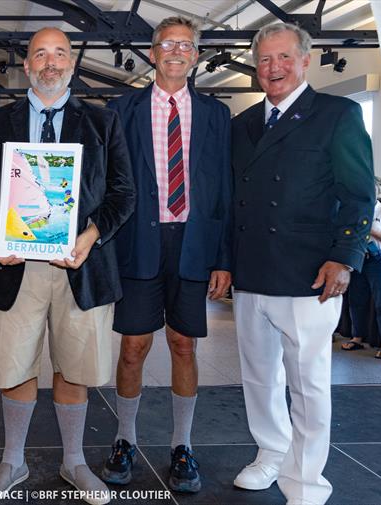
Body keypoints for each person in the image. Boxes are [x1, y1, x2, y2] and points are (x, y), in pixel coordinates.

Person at [0, 27, 135, 505]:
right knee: (15, 367)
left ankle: (73, 460)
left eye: (60, 54)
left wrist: (91, 235)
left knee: (74, 368)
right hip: (15, 267)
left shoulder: (103, 123)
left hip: (81, 264)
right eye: (41, 54)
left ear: (72, 65)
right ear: (27, 66)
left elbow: (124, 193)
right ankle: (12, 460)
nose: (51, 63)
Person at [231, 23, 375, 505]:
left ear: (305, 60)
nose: (274, 68)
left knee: (308, 383)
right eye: (265, 60)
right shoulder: (244, 124)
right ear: (256, 67)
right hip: (252, 271)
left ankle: (307, 478)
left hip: (310, 274)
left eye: (284, 58)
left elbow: (357, 195)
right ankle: (271, 453)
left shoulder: (337, 114)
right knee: (258, 376)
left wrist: (345, 256)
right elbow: (232, 201)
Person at [102, 16, 232, 493]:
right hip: (139, 243)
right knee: (133, 348)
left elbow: (224, 188)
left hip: (194, 243)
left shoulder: (217, 115)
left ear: (196, 56)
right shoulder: (121, 110)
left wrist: (224, 258)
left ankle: (182, 445)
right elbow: (108, 184)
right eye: (167, 44)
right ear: (152, 53)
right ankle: (124, 439)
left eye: (186, 45)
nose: (176, 51)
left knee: (184, 344)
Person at [342, 176, 381, 359]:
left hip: (380, 259)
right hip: (359, 259)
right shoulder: (355, 210)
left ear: (378, 192)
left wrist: (369, 229)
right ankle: (357, 337)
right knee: (356, 300)